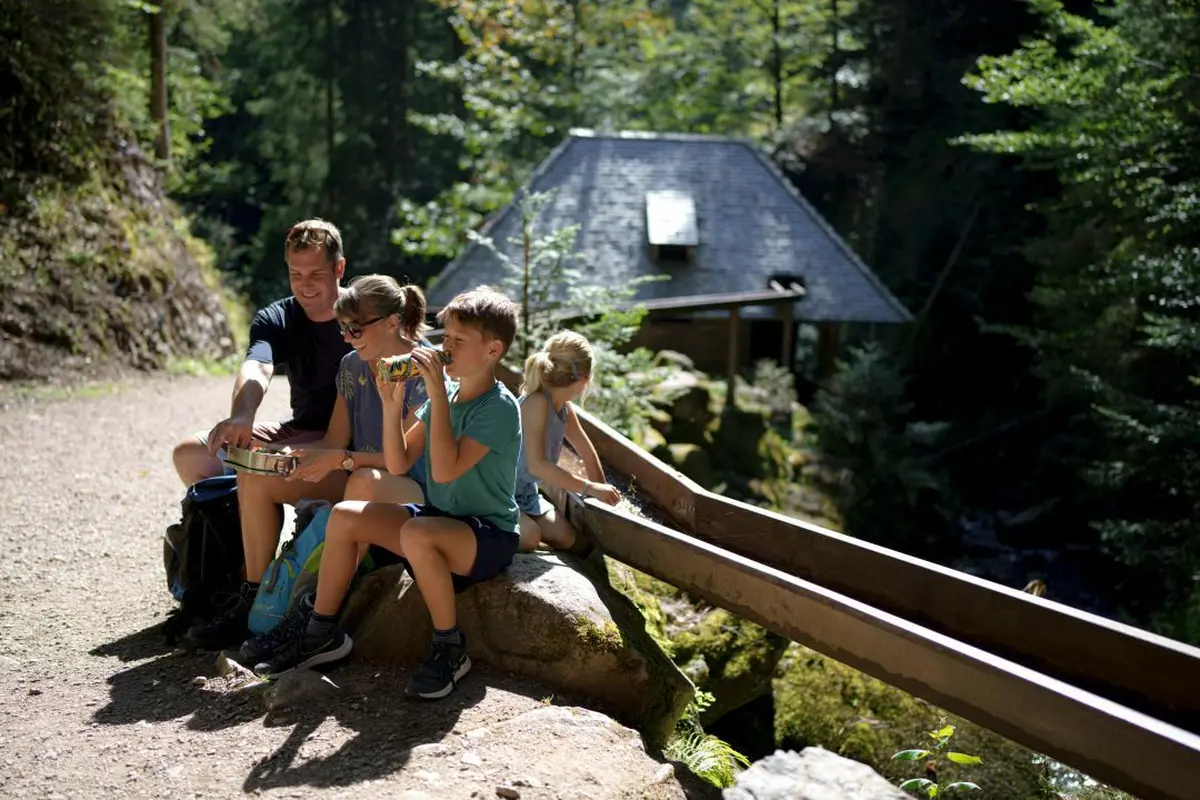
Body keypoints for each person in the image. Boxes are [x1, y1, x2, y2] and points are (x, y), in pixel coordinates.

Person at [253, 286, 523, 702]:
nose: (444, 348)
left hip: (486, 533)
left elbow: (446, 469)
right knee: (346, 515)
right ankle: (321, 632)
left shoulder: (498, 407)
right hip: (440, 520)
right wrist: (391, 401)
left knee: (417, 533)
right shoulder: (446, 396)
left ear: (493, 350)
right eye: (444, 337)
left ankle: (450, 648)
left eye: (457, 341)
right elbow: (397, 463)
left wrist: (434, 394)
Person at [186, 275, 434, 651]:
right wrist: (289, 457)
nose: (347, 337)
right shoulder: (351, 366)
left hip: (411, 487)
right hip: (358, 473)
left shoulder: (421, 369)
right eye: (342, 328)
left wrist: (339, 459)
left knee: (364, 479)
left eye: (355, 328)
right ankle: (255, 597)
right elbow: (333, 441)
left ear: (392, 322)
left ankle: (316, 615)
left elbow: (402, 461)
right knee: (256, 476)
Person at [171, 219, 352, 486]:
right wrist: (242, 415)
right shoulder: (276, 317)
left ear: (339, 268)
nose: (305, 285)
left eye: (316, 274)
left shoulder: (364, 314)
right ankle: (231, 521)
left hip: (354, 442)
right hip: (302, 430)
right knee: (191, 455)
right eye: (296, 274)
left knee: (271, 463)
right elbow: (258, 365)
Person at [514, 330, 620, 553]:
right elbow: (537, 465)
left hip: (524, 492)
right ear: (584, 380)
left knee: (570, 540)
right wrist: (589, 488)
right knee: (530, 537)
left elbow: (586, 452)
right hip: (498, 491)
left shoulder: (563, 408)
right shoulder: (536, 403)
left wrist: (605, 501)